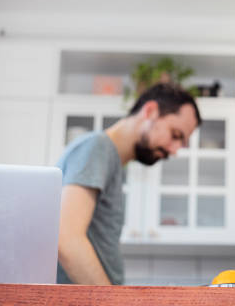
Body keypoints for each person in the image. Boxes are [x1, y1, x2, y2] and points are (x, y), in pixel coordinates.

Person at [56, 83, 201, 285]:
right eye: (175, 135)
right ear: (150, 111)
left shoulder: (110, 160)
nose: (175, 150)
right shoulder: (97, 148)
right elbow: (67, 239)